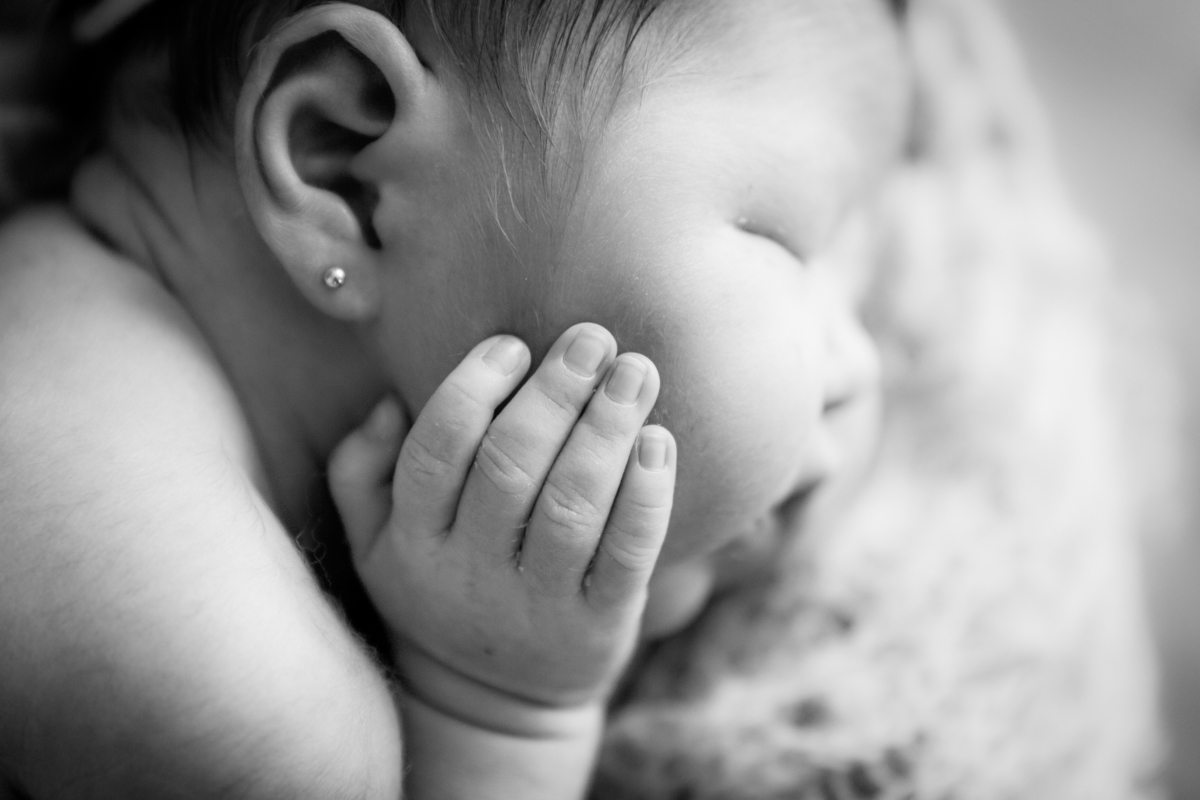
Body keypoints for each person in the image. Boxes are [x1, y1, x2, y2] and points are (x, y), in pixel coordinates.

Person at [0, 0, 1173, 797]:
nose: (858, 362)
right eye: (786, 241)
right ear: (347, 169)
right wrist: (498, 707)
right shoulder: (230, 698)